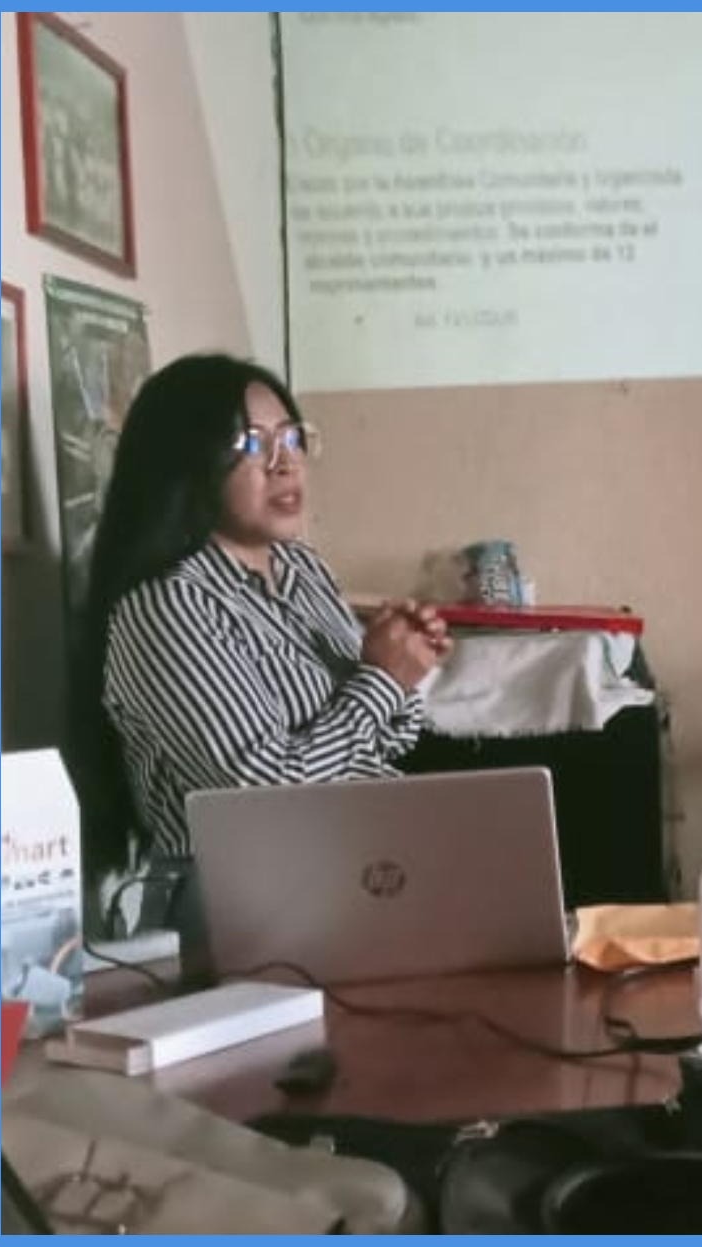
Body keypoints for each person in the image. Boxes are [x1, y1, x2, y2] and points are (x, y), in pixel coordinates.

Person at [66, 354, 451, 947]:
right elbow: (259, 793)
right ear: (186, 462)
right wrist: (379, 681)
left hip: (354, 870)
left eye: (291, 437)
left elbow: (389, 739)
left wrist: (403, 663)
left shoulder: (302, 569)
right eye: (251, 443)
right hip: (241, 901)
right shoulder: (167, 604)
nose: (284, 462)